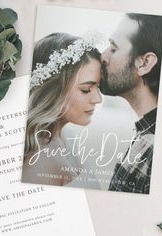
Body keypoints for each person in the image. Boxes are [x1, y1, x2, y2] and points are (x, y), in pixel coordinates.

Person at [22, 32, 103, 186]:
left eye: (98, 87)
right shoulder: (41, 162)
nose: (98, 99)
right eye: (86, 89)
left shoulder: (68, 136)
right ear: (53, 91)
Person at [100, 13, 162, 194]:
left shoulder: (155, 150)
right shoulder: (147, 134)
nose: (103, 56)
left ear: (145, 63)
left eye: (113, 48)